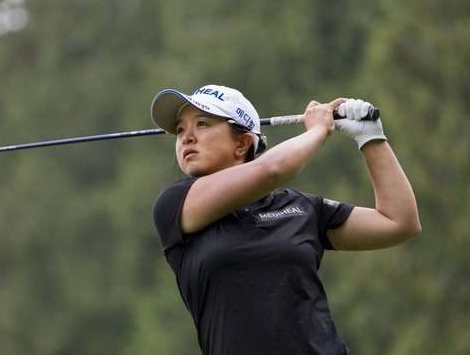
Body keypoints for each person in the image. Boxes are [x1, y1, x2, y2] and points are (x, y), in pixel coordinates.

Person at [150, 84, 421, 355]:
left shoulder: (301, 208)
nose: (187, 137)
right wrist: (318, 130)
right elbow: (271, 170)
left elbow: (399, 223)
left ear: (243, 143)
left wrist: (371, 138)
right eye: (181, 130)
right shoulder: (175, 204)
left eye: (202, 123)